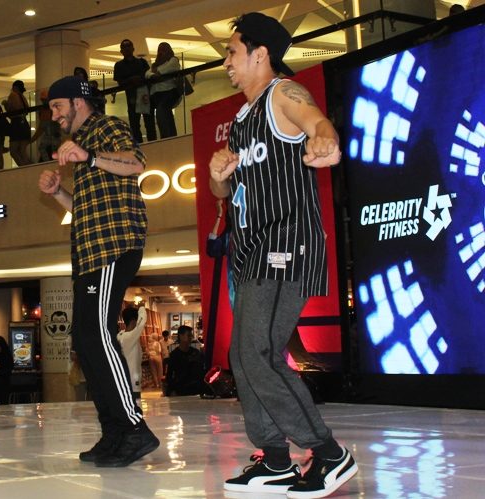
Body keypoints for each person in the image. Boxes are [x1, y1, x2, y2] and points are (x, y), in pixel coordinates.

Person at [208, 13, 357, 498]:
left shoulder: (282, 94)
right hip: (252, 248)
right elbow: (225, 193)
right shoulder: (241, 121)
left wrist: (325, 137)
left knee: (257, 352)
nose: (226, 62)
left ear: (260, 54)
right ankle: (274, 459)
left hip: (287, 241)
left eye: (232, 52)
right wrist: (217, 175)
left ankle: (328, 452)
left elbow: (315, 121)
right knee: (243, 356)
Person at [37, 76, 158, 468]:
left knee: (98, 335)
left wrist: (88, 156)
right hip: (92, 251)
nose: (54, 116)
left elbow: (136, 162)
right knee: (86, 339)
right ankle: (115, 432)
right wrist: (58, 192)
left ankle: (133, 428)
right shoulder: (83, 143)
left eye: (57, 106)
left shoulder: (105, 127)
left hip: (112, 246)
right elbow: (86, 208)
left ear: (78, 101)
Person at [113, 39, 157, 143]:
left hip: (145, 95)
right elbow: (120, 82)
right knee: (134, 125)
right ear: (121, 51)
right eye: (124, 47)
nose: (127, 48)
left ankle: (153, 144)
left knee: (149, 123)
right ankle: (139, 145)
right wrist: (131, 80)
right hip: (131, 97)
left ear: (133, 48)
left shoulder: (142, 62)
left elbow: (148, 76)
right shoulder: (119, 65)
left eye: (128, 46)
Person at [145, 42, 181, 139]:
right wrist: (154, 75)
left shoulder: (173, 60)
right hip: (157, 96)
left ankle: (168, 137)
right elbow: (147, 74)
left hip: (169, 92)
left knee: (161, 112)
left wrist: (157, 73)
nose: (161, 52)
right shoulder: (154, 65)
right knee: (164, 114)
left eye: (164, 49)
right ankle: (169, 137)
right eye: (160, 50)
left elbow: (170, 68)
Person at [163, 325, 204, 396]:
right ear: (181, 336)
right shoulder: (174, 355)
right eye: (188, 335)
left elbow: (200, 371)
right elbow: (169, 374)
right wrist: (172, 390)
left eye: (191, 336)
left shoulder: (195, 352)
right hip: (181, 389)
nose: (191, 338)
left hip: (195, 389)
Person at [116, 306, 147, 398]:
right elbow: (142, 321)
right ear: (134, 321)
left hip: (122, 379)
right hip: (132, 381)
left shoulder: (120, 335)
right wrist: (142, 307)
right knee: (135, 404)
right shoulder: (130, 336)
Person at [5, 80, 32, 166]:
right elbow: (26, 111)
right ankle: (28, 167)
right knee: (22, 150)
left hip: (16, 123)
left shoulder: (13, 95)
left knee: (13, 151)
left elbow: (12, 111)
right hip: (24, 123)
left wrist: (6, 105)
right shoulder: (23, 97)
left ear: (15, 87)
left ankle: (24, 168)